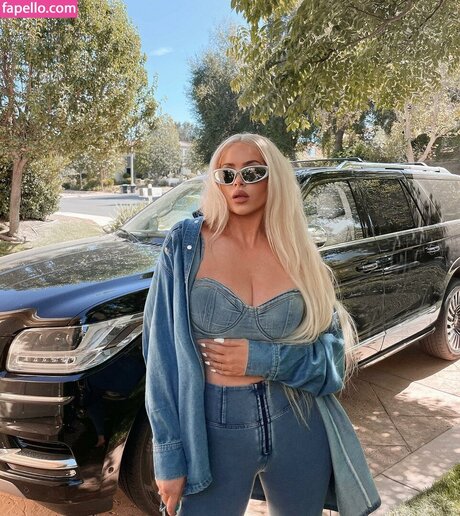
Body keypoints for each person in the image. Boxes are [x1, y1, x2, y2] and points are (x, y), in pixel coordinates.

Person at [142, 133, 381, 516]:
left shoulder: (297, 250)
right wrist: (168, 455)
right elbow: (160, 356)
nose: (238, 182)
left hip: (298, 420)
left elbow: (332, 361)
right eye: (227, 174)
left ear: (275, 178)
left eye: (252, 172)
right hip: (213, 429)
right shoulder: (185, 244)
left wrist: (262, 359)